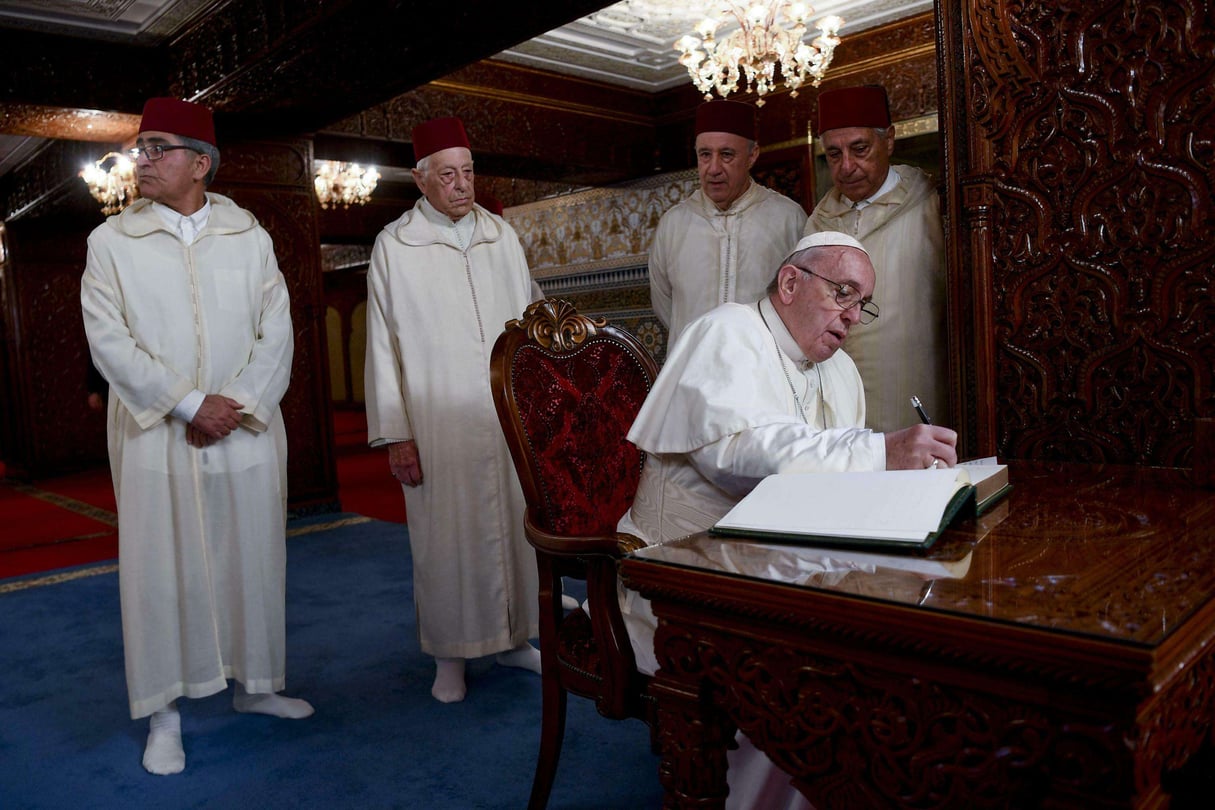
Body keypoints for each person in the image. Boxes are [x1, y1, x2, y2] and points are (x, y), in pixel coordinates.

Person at [618, 231, 957, 809]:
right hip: (686, 580)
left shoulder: (841, 371)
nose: (852, 316)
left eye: (862, 304)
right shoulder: (728, 331)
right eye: (843, 293)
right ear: (791, 281)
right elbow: (738, 455)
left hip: (779, 573)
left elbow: (829, 485)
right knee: (809, 687)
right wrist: (881, 453)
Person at [80, 97, 311, 776]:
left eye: (157, 148)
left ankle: (256, 686)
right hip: (157, 434)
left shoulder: (250, 235)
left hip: (243, 429)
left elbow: (279, 330)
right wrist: (185, 404)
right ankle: (165, 713)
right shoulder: (109, 242)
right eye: (139, 148)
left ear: (200, 163)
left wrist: (232, 404)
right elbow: (108, 340)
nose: (141, 160)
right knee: (160, 572)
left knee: (252, 556)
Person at [364, 116, 541, 704]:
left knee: (517, 534)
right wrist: (397, 435)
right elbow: (382, 346)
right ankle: (450, 656)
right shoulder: (396, 245)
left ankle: (516, 639)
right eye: (448, 174)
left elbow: (530, 321)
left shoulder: (501, 236)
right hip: (438, 425)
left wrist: (538, 402)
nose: (462, 185)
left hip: (506, 417)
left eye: (467, 172)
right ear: (420, 180)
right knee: (446, 542)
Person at [804, 84, 948, 433]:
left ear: (890, 140)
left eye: (860, 149)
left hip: (911, 388)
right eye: (834, 155)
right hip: (834, 398)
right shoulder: (816, 223)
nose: (847, 166)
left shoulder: (932, 206)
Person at [649, 98, 807, 345]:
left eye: (726, 155)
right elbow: (666, 307)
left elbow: (801, 302)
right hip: (693, 370)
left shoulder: (787, 219)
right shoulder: (674, 224)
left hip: (760, 373)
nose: (713, 168)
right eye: (705, 155)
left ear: (752, 156)